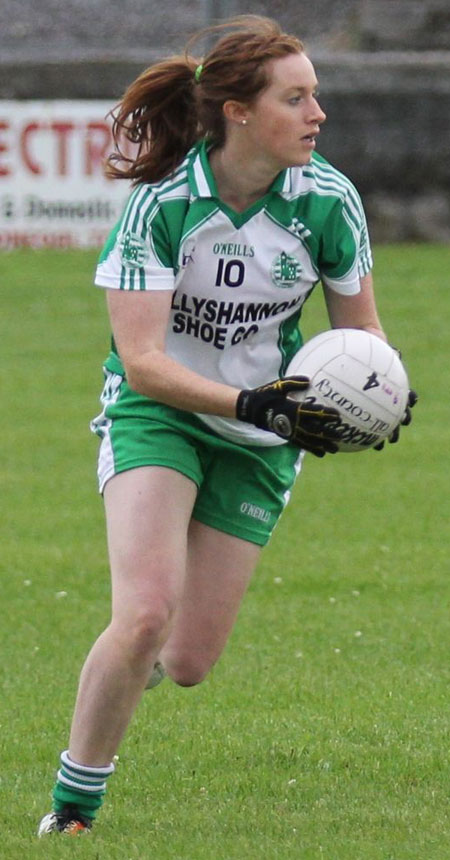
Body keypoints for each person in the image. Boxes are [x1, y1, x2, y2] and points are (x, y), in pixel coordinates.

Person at [38, 14, 415, 836]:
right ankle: (72, 813)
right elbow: (141, 362)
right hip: (159, 414)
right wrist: (252, 402)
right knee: (143, 612)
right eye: (298, 97)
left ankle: (129, 669)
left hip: (263, 435)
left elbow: (363, 334)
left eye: (317, 95)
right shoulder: (162, 205)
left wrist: (379, 392)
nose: (319, 114)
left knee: (187, 659)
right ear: (239, 110)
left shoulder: (328, 201)